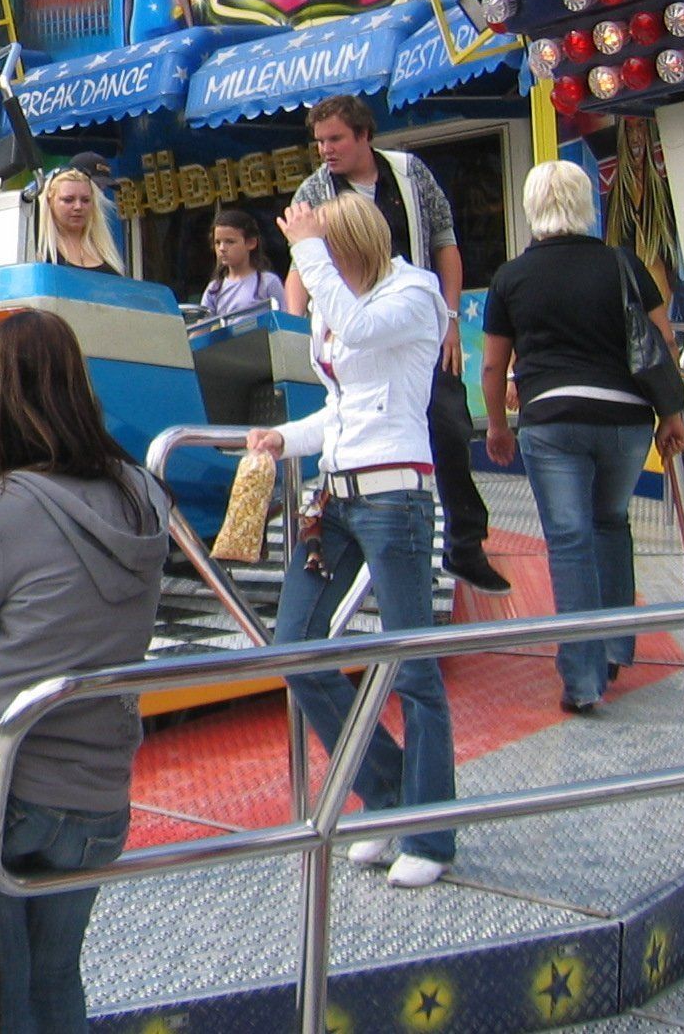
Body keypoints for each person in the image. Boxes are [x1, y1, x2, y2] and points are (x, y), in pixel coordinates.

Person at [0, 310, 170, 1034]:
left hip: (7, 785)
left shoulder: (2, 510)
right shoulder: (143, 494)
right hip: (102, 788)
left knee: (2, 987)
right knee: (57, 974)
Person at [248, 192, 457, 888]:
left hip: (396, 495)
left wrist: (308, 251)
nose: (311, 273)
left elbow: (361, 332)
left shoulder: (415, 294)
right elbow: (340, 408)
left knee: (413, 665)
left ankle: (430, 833)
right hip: (336, 496)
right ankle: (389, 791)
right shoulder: (339, 304)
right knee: (295, 649)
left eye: (321, 254)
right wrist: (284, 439)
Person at [480, 161, 684, 713]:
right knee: (611, 523)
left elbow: (494, 366)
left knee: (569, 540)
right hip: (626, 420)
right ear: (585, 203)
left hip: (552, 421)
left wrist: (497, 426)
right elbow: (662, 342)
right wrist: (672, 414)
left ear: (531, 207)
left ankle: (583, 680)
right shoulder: (623, 264)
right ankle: (616, 646)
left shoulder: (511, 277)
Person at [284, 94, 508, 595]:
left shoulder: (410, 172)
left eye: (335, 139)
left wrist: (450, 319)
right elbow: (301, 268)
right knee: (353, 425)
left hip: (412, 318)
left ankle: (465, 546)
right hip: (356, 329)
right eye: (319, 141)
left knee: (449, 426)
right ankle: (363, 543)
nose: (325, 150)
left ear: (365, 135)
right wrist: (298, 330)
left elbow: (445, 244)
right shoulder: (314, 190)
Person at [38, 166, 124, 275]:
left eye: (85, 200)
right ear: (49, 201)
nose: (78, 207)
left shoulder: (105, 251)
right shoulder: (39, 251)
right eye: (68, 200)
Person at [202, 207, 284, 316]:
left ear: (251, 243)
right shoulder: (214, 288)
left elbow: (284, 319)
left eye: (230, 242)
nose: (222, 248)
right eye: (217, 242)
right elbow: (203, 322)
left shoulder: (268, 282)